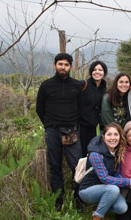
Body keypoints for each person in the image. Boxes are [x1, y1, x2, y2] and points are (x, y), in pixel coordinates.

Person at [36, 53, 83, 210]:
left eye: (66, 64)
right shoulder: (46, 85)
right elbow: (39, 108)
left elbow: (81, 108)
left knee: (76, 165)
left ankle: (79, 199)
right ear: (55, 65)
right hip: (53, 131)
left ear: (70, 66)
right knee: (54, 165)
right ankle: (58, 201)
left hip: (70, 130)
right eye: (60, 64)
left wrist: (74, 124)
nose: (63, 67)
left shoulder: (76, 85)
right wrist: (49, 125)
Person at [79, 123, 131, 220]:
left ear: (120, 136)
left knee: (122, 208)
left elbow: (116, 174)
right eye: (109, 135)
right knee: (113, 189)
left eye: (116, 134)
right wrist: (128, 181)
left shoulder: (116, 152)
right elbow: (105, 178)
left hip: (106, 189)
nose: (113, 138)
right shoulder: (96, 154)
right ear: (103, 137)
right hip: (88, 191)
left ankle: (99, 207)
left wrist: (130, 183)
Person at [79, 61, 107, 157]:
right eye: (94, 70)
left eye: (100, 70)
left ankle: (88, 171)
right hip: (80, 126)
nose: (97, 72)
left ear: (104, 72)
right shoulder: (83, 85)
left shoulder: (104, 88)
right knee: (80, 154)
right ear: (91, 72)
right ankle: (78, 172)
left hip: (94, 127)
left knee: (90, 152)